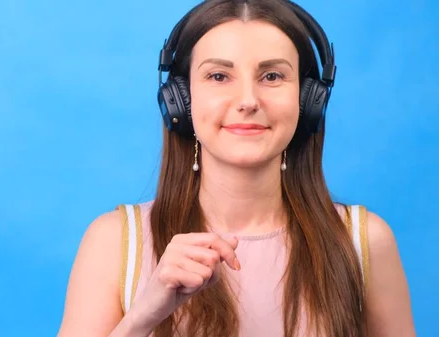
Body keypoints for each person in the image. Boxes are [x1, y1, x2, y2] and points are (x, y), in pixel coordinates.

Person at [57, 0, 415, 336]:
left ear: (308, 102)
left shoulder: (362, 241)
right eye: (218, 76)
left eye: (272, 76)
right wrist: (143, 316)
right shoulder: (115, 242)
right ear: (180, 99)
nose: (247, 101)